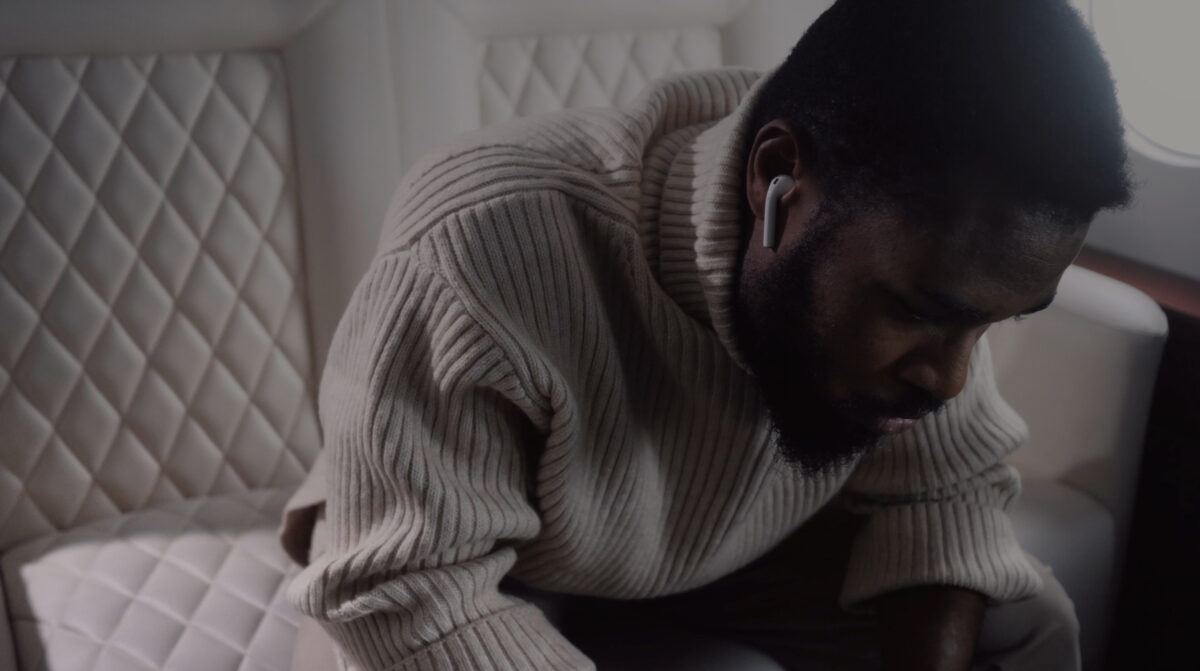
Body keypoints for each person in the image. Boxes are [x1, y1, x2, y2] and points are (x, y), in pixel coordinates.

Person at [280, 0, 1132, 669]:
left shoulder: (920, 247)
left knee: (1025, 626)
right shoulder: (477, 244)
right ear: (776, 179)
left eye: (990, 324)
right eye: (920, 311)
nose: (949, 379)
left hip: (729, 552)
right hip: (474, 558)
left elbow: (946, 493)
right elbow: (405, 584)